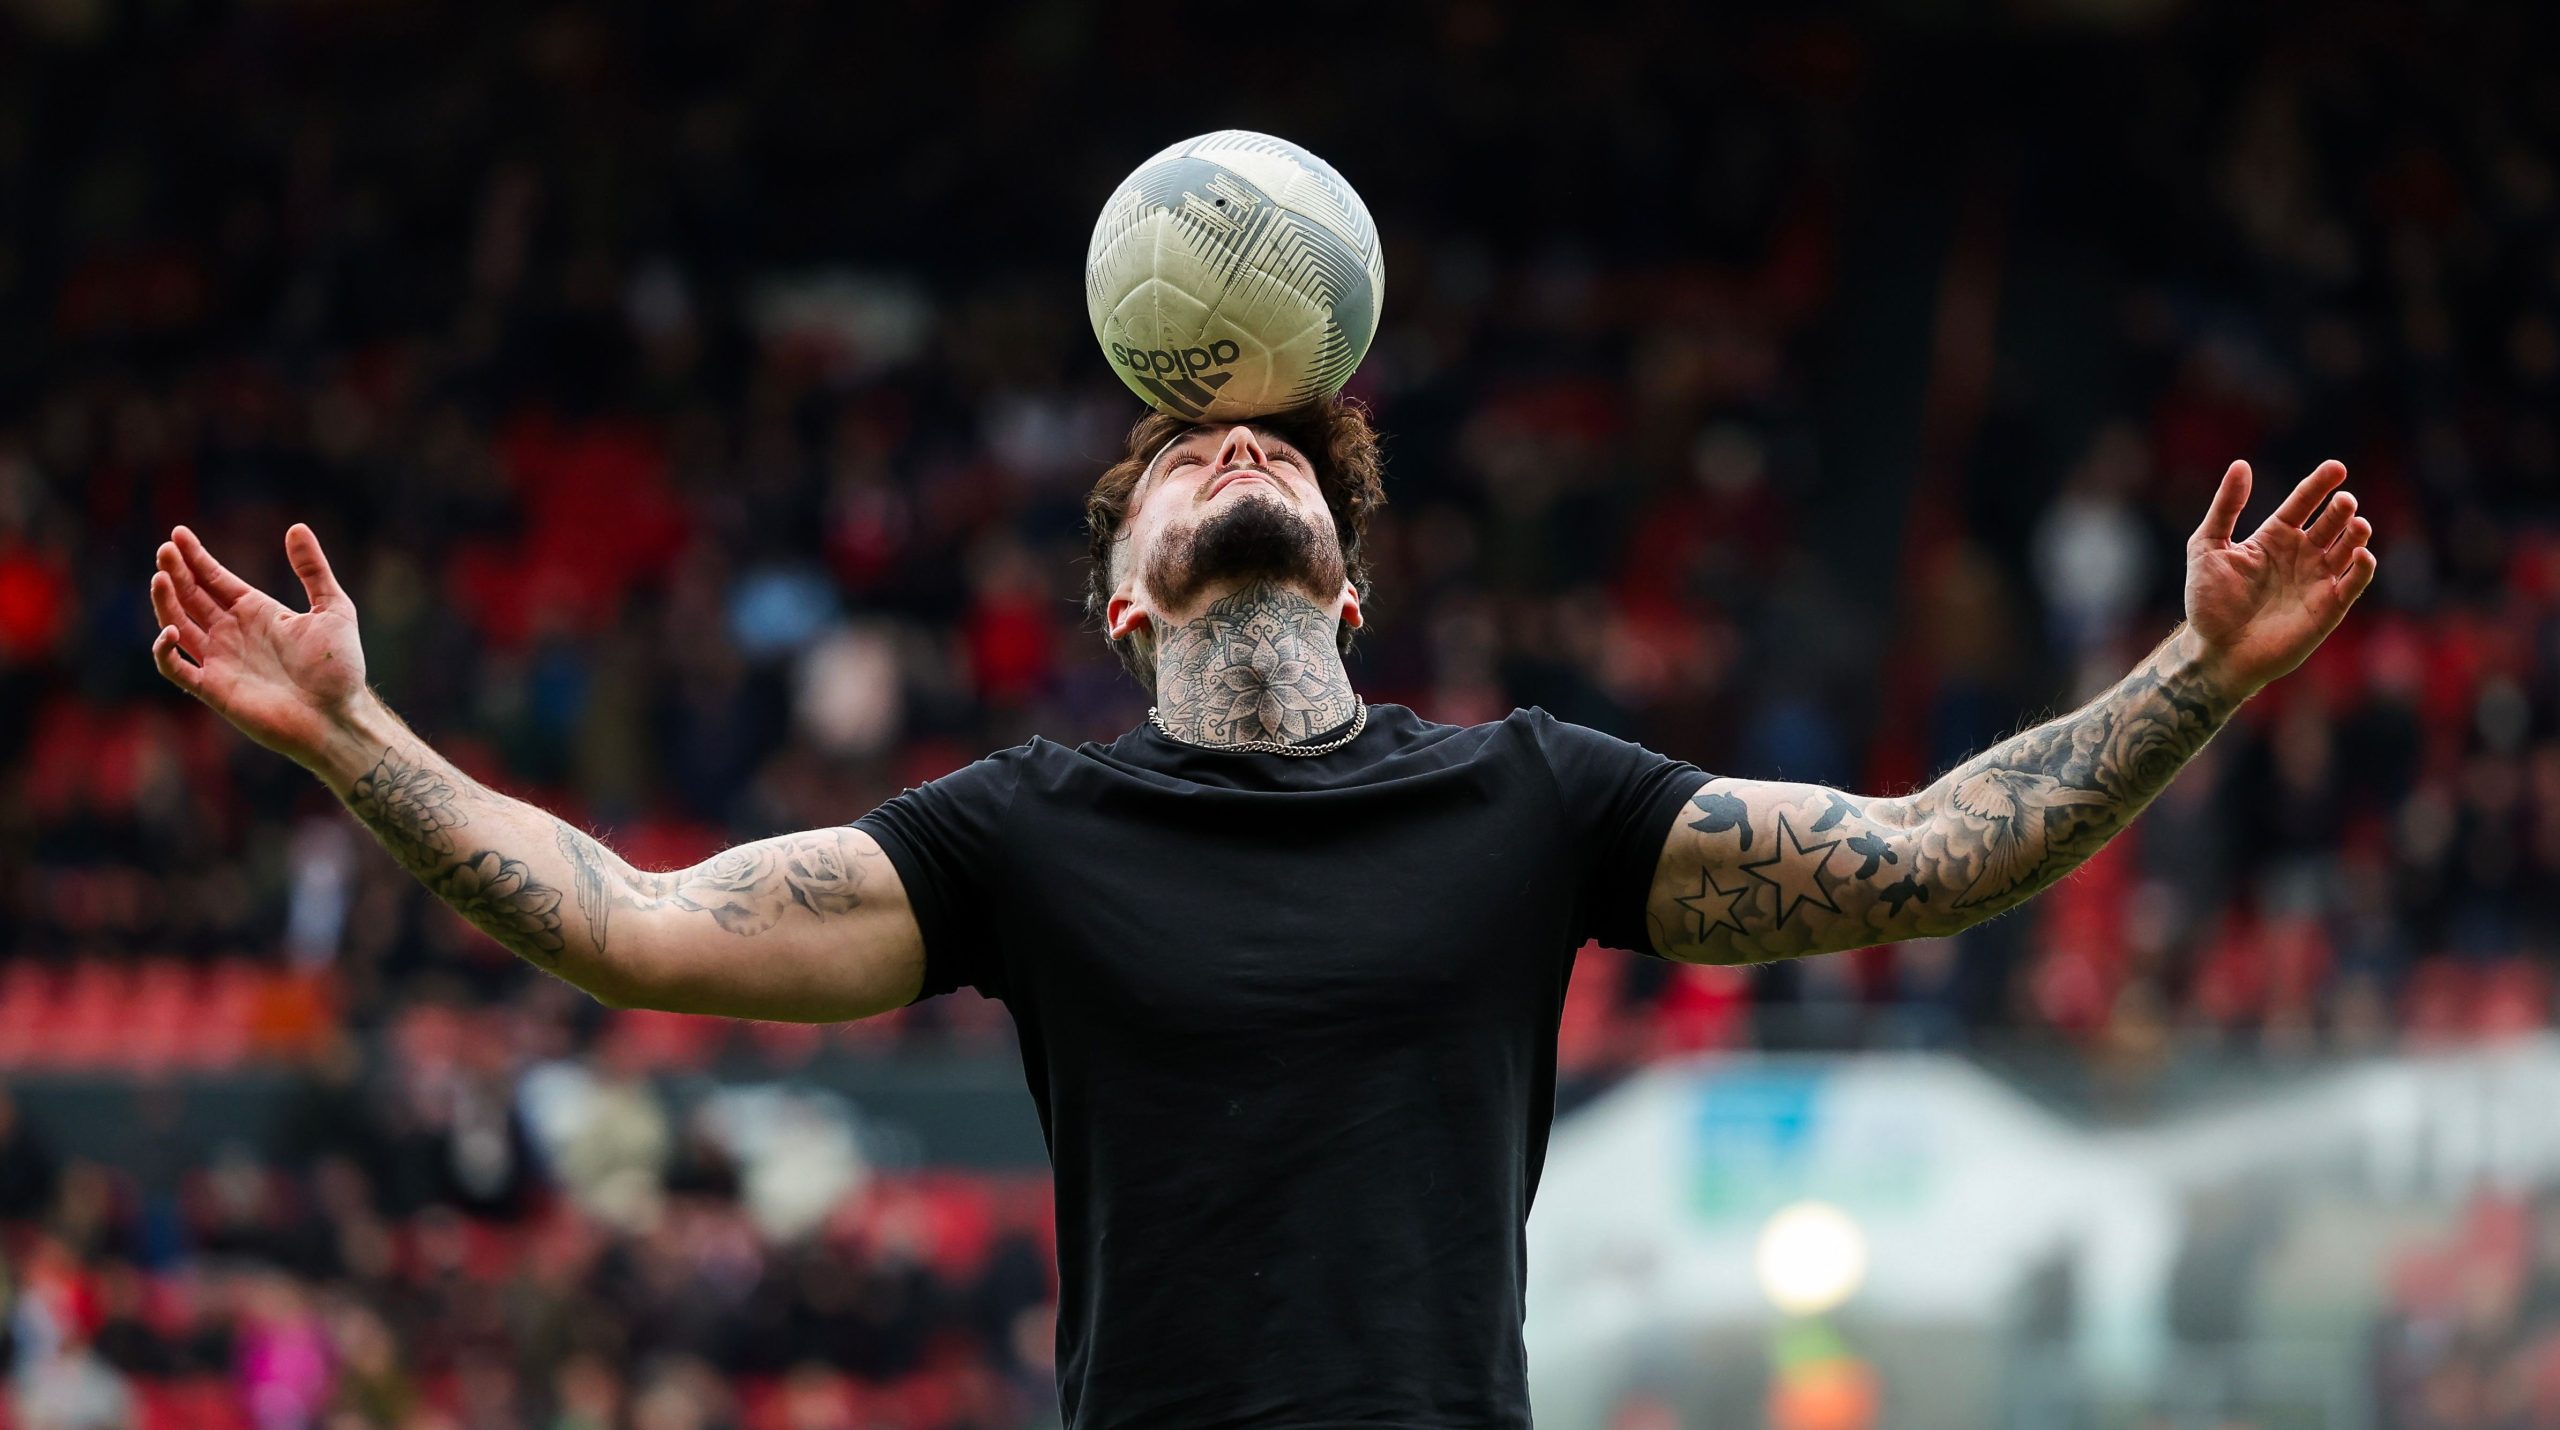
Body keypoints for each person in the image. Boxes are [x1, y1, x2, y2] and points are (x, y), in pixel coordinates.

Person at [144, 398, 2378, 1429]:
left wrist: (2193, 672)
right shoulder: (1018, 835)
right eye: (1178, 458)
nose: (1237, 450)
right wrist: (355, 738)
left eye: (1278, 450)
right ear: (1117, 593)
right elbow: (630, 926)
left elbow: (1926, 850)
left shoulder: (1526, 798)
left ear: (1347, 564)